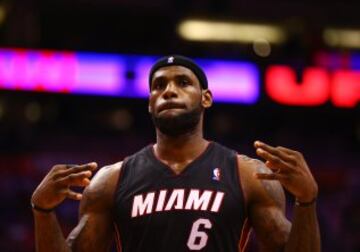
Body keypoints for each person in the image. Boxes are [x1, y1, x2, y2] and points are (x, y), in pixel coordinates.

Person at [31, 55, 320, 252]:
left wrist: (307, 201)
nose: (169, 91)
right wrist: (42, 211)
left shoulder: (247, 174)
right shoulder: (111, 181)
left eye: (182, 82)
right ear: (149, 103)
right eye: (159, 86)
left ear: (206, 98)